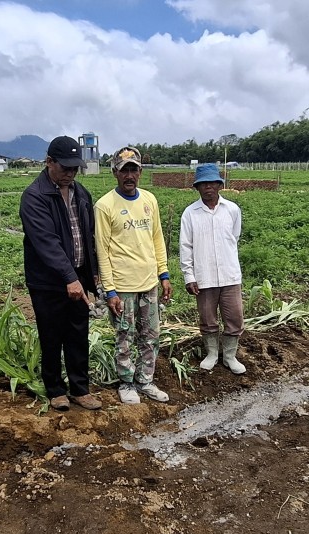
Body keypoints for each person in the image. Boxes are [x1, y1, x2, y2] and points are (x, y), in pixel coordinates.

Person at [19, 136, 102, 411]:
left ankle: (80, 389)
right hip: (48, 280)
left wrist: (92, 273)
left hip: (77, 273)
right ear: (49, 162)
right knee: (52, 333)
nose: (70, 173)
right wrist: (69, 278)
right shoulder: (35, 196)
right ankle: (55, 389)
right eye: (65, 167)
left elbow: (88, 236)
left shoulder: (81, 193)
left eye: (75, 168)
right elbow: (47, 243)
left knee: (78, 332)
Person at [94, 146, 172, 404]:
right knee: (124, 336)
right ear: (115, 172)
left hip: (149, 283)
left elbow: (157, 238)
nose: (129, 175)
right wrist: (110, 291)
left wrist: (164, 273)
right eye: (124, 170)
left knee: (150, 336)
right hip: (123, 286)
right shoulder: (105, 206)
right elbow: (102, 251)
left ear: (140, 172)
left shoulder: (149, 200)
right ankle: (126, 383)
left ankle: (146, 380)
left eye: (134, 170)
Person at [179, 163, 246, 374]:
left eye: (212, 183)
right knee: (207, 318)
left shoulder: (232, 210)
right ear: (197, 188)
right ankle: (211, 353)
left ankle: (229, 356)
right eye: (203, 184)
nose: (208, 187)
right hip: (204, 275)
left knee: (234, 317)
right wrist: (189, 276)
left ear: (219, 185)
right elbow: (185, 246)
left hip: (230, 275)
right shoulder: (190, 214)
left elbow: (234, 237)